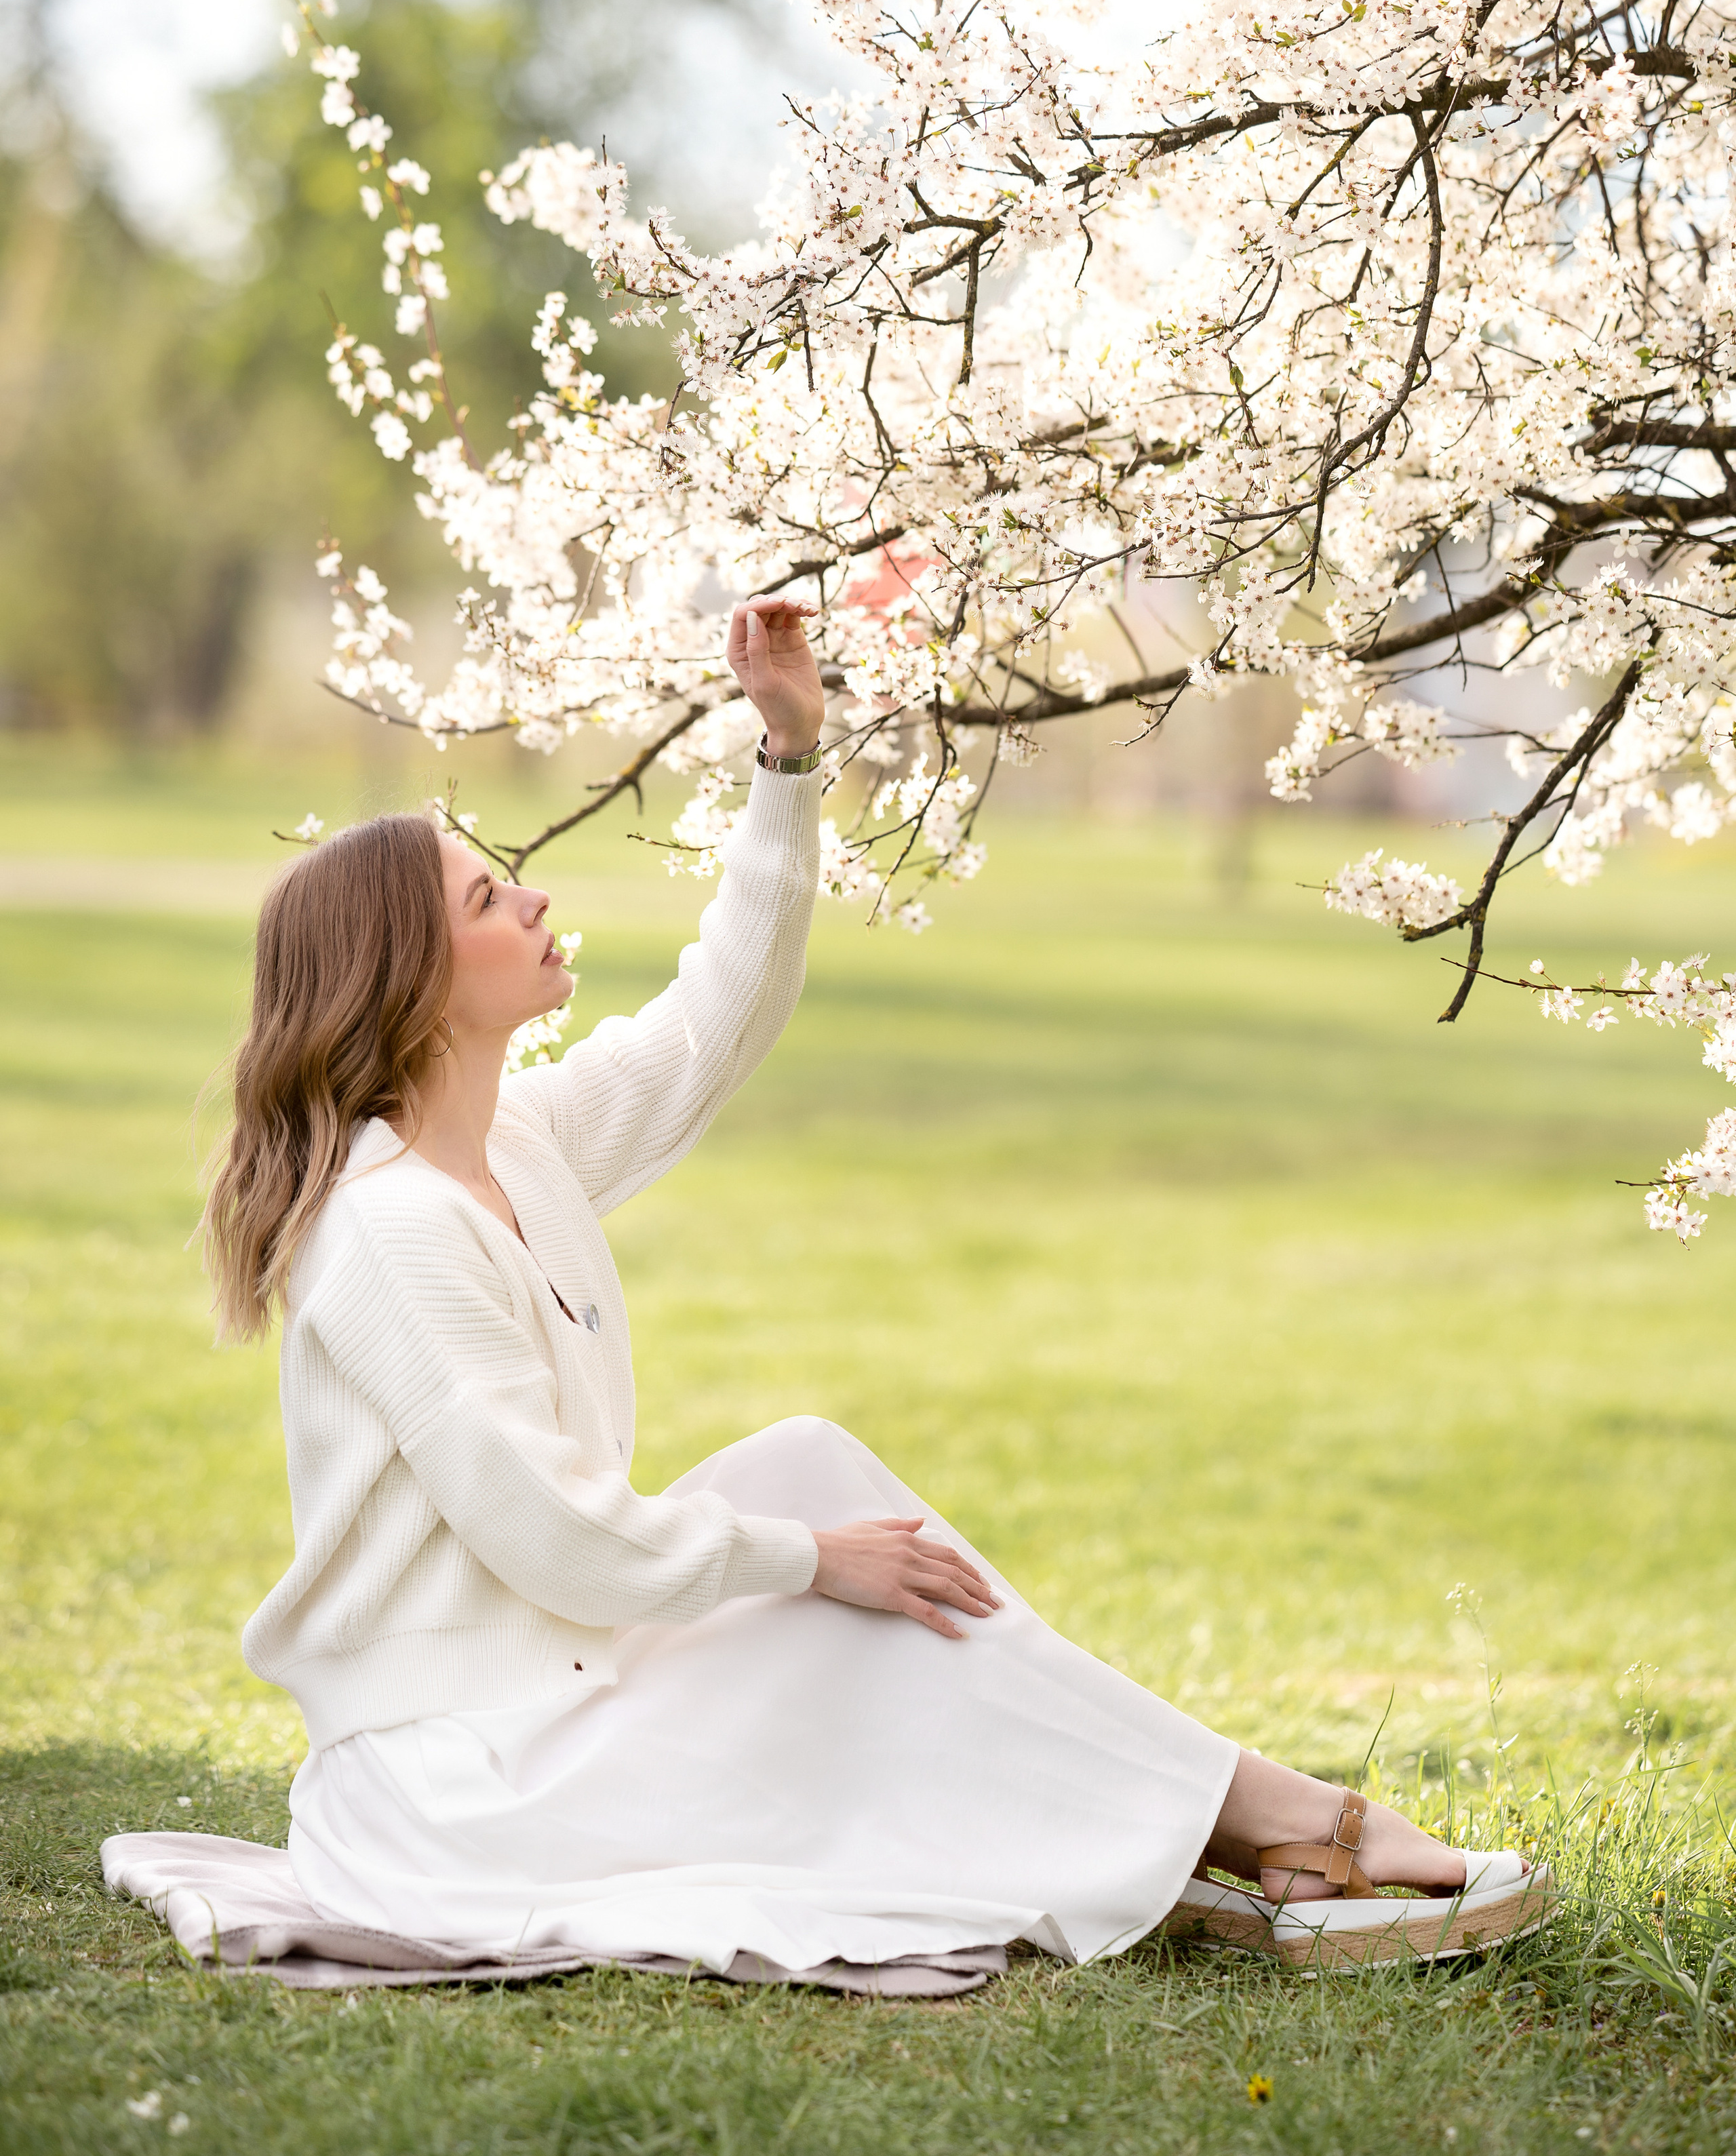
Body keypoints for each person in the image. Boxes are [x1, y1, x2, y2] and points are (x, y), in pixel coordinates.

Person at [203, 597, 1554, 1979]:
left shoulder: (511, 1148)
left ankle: (1222, 1824)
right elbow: (556, 1540)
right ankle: (1280, 1825)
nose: (534, 893)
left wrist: (787, 764)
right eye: (486, 898)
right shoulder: (390, 1232)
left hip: (547, 1704)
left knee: (806, 1468)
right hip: (467, 1791)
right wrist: (808, 1564)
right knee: (838, 1580)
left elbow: (711, 1024)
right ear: (412, 990)